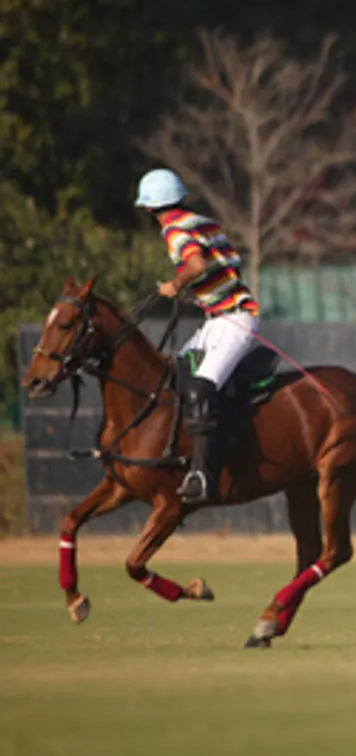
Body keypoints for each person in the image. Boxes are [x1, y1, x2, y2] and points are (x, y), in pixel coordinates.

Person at [136, 168, 259, 506]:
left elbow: (197, 265)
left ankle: (204, 476)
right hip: (217, 319)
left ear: (148, 209)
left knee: (201, 387)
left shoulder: (174, 230)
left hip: (234, 319)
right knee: (176, 373)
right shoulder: (199, 221)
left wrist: (175, 285)